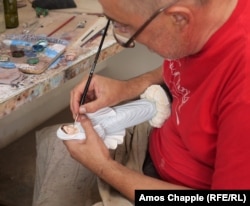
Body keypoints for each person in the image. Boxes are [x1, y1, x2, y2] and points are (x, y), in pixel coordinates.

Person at [32, 0, 250, 205]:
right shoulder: (209, 20)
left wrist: (104, 167)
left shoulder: (243, 91)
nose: (128, 37)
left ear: (180, 19)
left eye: (126, 26)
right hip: (156, 140)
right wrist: (128, 87)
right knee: (54, 143)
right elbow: (184, 61)